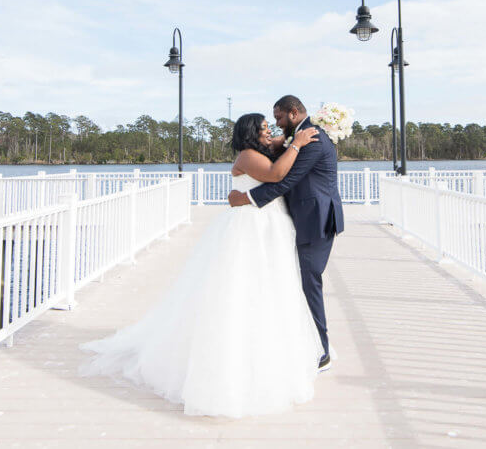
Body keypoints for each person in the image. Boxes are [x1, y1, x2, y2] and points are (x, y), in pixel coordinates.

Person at [76, 113, 324, 417]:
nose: (268, 131)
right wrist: (296, 144)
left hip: (269, 225)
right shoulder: (247, 155)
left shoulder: (261, 149)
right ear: (250, 133)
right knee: (243, 288)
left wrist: (285, 142)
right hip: (251, 229)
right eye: (263, 128)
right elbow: (275, 175)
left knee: (271, 288)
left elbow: (278, 163)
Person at [228, 95, 344, 372]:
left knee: (308, 284)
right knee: (291, 282)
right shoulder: (297, 136)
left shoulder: (312, 140)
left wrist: (245, 198)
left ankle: (321, 351)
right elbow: (278, 151)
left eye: (278, 119)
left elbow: (286, 179)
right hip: (295, 220)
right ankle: (308, 344)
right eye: (269, 124)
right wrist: (288, 142)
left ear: (293, 114)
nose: (276, 127)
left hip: (314, 221)